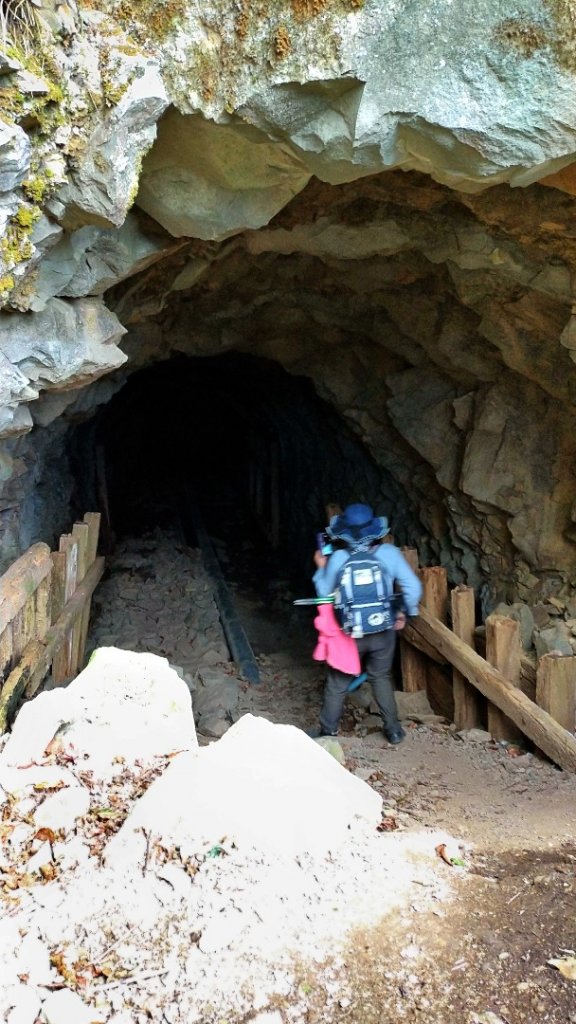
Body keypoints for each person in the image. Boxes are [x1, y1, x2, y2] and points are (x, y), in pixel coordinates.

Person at [309, 502, 422, 744]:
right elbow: (413, 587)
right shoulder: (390, 554)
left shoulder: (339, 557)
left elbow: (324, 592)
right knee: (380, 676)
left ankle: (327, 731)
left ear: (344, 532)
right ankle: (393, 730)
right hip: (383, 628)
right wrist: (404, 612)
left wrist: (321, 568)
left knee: (338, 682)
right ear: (374, 530)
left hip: (350, 632)